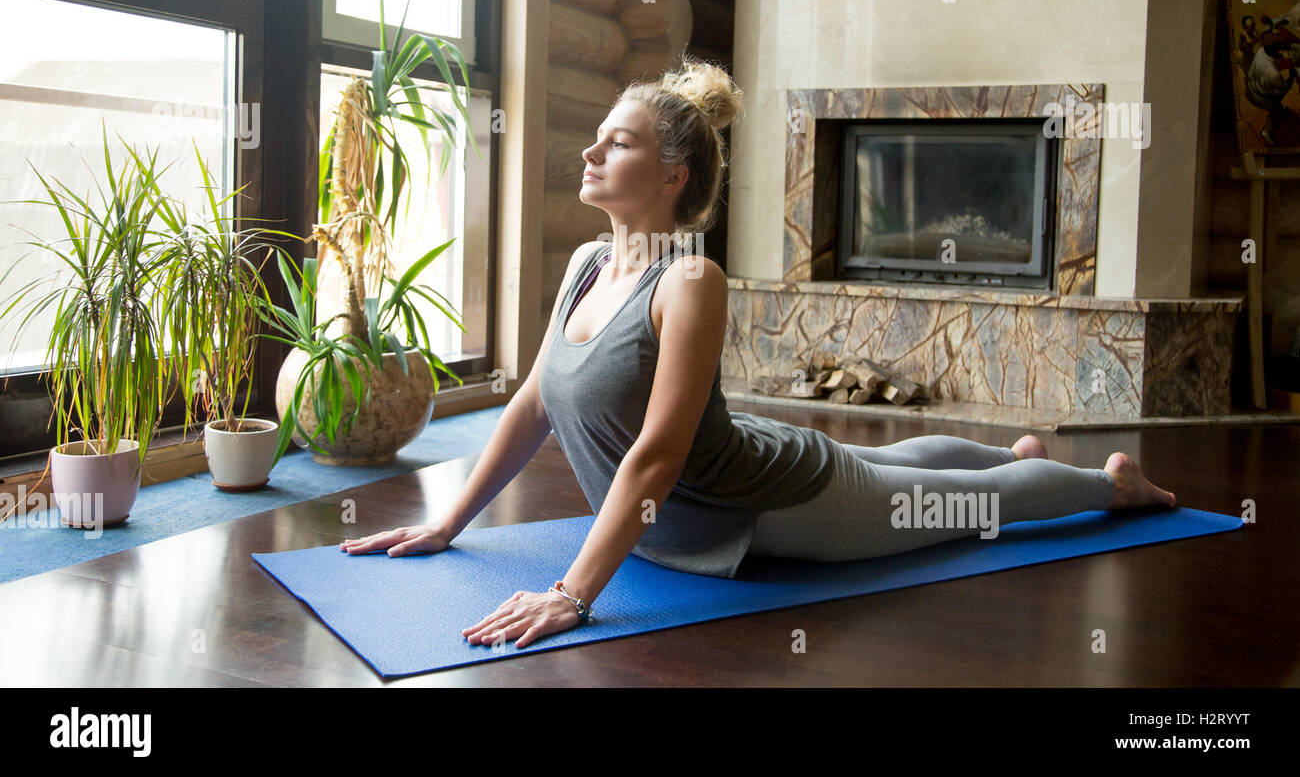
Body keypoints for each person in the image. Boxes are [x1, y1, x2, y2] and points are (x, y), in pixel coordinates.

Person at [340, 56, 1177, 650]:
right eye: (597, 138)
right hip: (723, 492)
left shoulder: (688, 281)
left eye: (618, 143)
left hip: (778, 503)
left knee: (968, 511)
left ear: (673, 176)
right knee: (916, 459)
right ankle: (1014, 451)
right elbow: (532, 404)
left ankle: (1109, 485)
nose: (591, 153)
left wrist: (570, 593)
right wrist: (450, 523)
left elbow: (659, 454)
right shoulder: (587, 264)